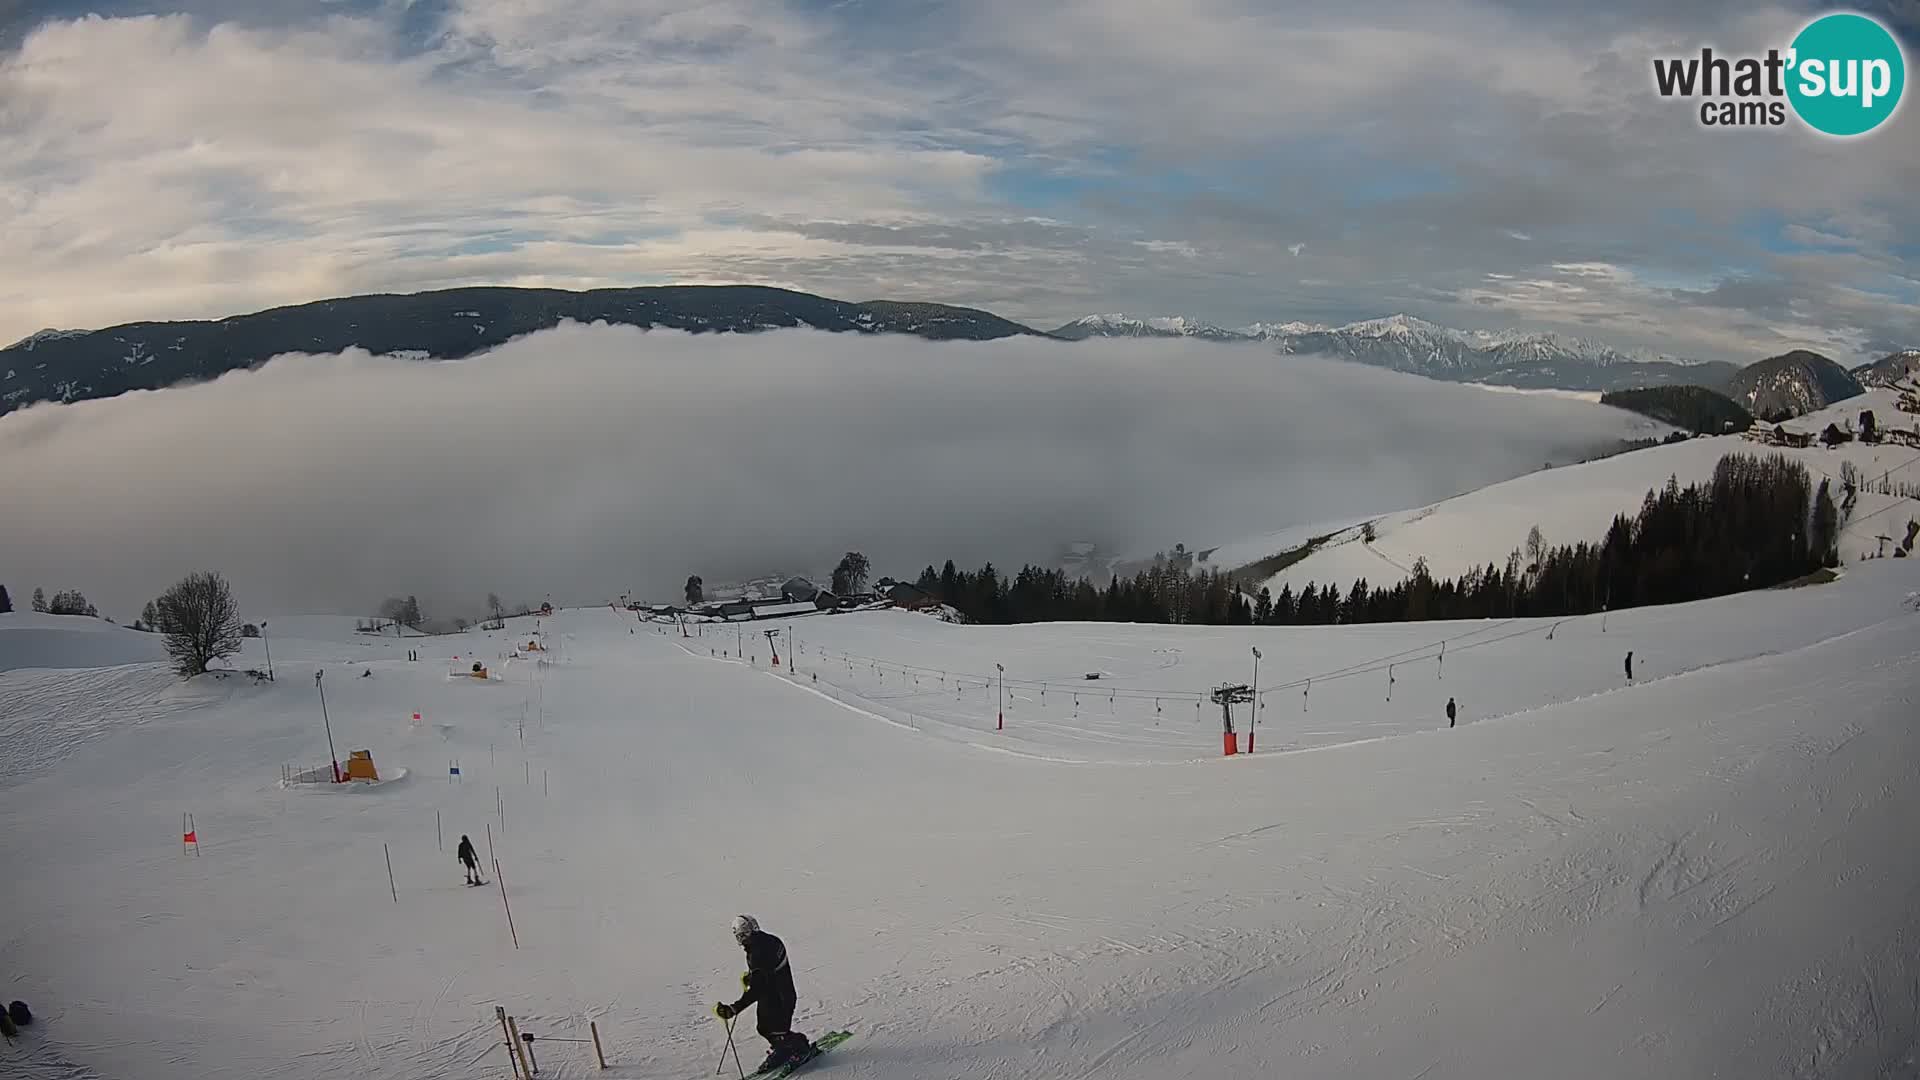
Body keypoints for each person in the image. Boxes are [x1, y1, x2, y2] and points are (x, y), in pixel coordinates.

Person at [714, 915, 811, 1072]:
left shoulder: (757, 952)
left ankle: (798, 1048)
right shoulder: (770, 940)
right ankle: (784, 1048)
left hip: (779, 997)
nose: (741, 941)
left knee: (776, 1029)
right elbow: (768, 972)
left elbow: (759, 988)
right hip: (777, 993)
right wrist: (754, 977)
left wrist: (734, 1008)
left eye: (741, 936)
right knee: (765, 1028)